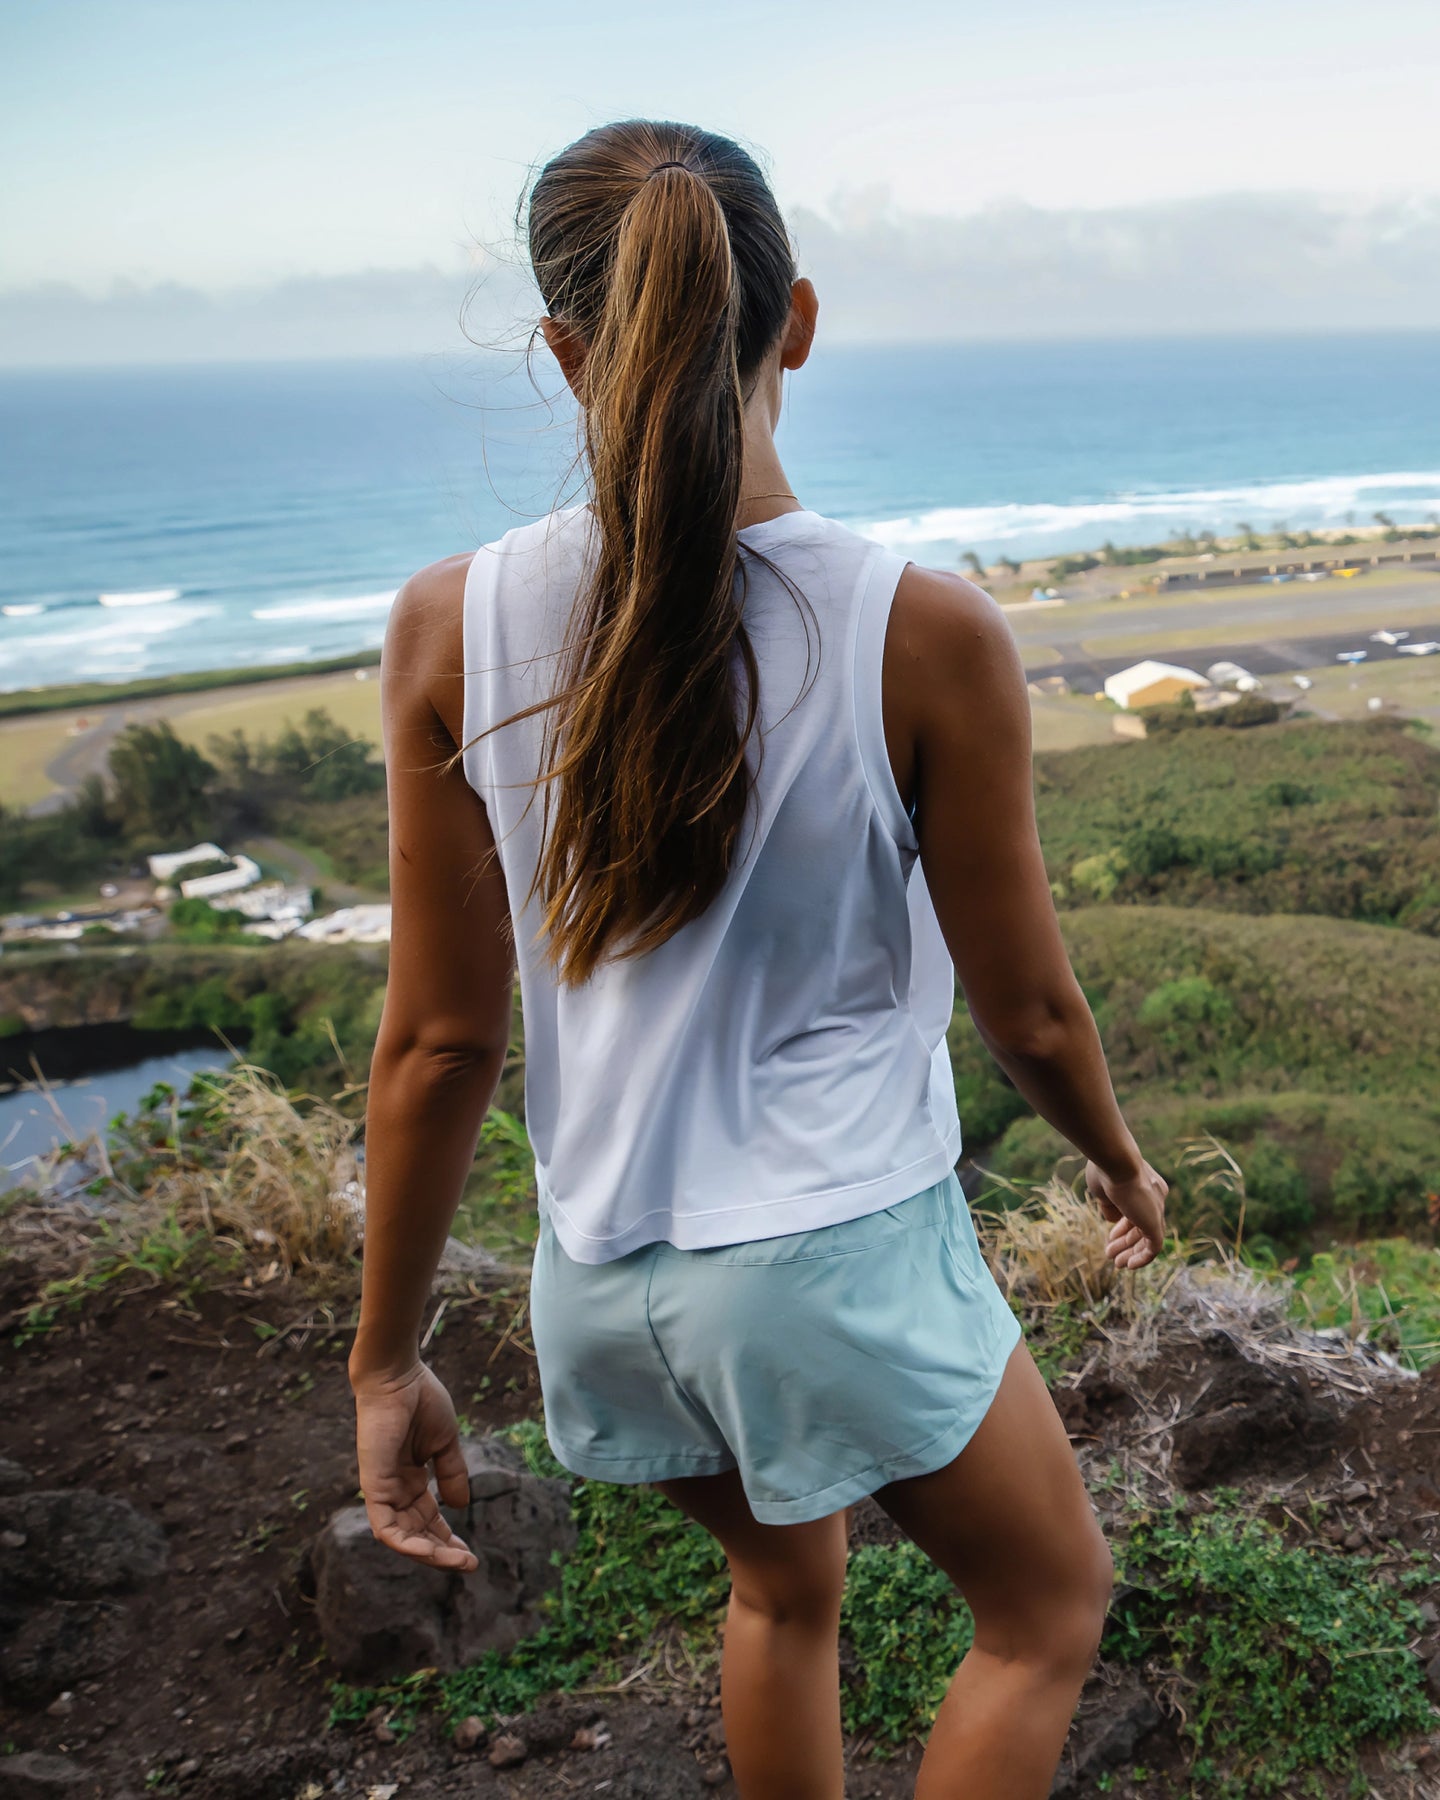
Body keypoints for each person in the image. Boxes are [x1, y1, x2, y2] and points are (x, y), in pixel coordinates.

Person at [349, 118, 1168, 1800]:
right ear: (795, 320)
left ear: (569, 350)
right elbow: (1025, 1003)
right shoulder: (917, 629)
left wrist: (384, 1359)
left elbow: (437, 1041)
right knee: (1045, 1611)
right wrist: (1117, 1157)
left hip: (602, 1285)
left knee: (780, 1585)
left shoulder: (449, 621)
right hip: (832, 1262)